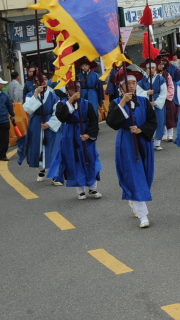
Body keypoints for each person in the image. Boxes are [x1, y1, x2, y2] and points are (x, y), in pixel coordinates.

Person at [106, 66, 157, 228]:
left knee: (145, 176)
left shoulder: (143, 101)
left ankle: (133, 198)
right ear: (121, 86)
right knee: (135, 176)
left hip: (143, 141)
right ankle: (143, 215)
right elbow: (112, 123)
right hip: (127, 143)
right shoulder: (116, 103)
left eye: (134, 83)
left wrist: (141, 129)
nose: (132, 86)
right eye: (128, 83)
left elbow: (152, 121)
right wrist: (122, 103)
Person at [54, 80, 102, 200]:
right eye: (73, 90)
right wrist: (70, 101)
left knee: (90, 159)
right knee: (73, 161)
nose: (76, 92)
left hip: (85, 134)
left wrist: (89, 134)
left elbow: (93, 120)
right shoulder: (62, 104)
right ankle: (80, 190)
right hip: (70, 135)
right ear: (67, 91)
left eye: (78, 89)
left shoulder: (87, 104)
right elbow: (62, 117)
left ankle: (93, 188)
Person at [16, 73, 62, 183]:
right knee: (37, 147)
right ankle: (41, 170)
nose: (43, 82)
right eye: (40, 80)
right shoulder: (30, 95)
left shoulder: (53, 95)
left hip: (50, 122)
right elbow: (29, 109)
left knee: (53, 148)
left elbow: (58, 111)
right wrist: (36, 93)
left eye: (45, 79)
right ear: (35, 83)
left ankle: (55, 174)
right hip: (36, 123)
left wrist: (50, 123)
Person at [137, 58, 168, 151]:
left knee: (159, 121)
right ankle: (148, 140)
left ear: (156, 68)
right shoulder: (142, 79)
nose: (151, 69)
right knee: (147, 121)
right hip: (146, 103)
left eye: (153, 67)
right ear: (146, 69)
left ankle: (157, 142)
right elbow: (138, 91)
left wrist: (157, 102)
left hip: (158, 102)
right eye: (149, 68)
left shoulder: (160, 79)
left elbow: (164, 92)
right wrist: (146, 93)